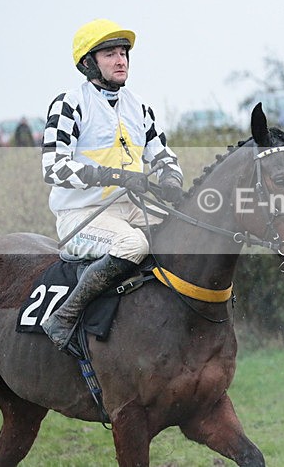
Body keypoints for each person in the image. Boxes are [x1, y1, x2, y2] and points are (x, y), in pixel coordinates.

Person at [40, 19, 184, 351]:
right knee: (133, 246)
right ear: (89, 62)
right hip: (82, 215)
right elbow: (53, 167)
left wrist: (171, 180)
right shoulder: (69, 104)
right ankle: (64, 316)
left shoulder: (139, 106)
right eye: (109, 54)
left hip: (132, 210)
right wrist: (115, 176)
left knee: (186, 236)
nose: (120, 61)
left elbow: (163, 155)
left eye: (124, 53)